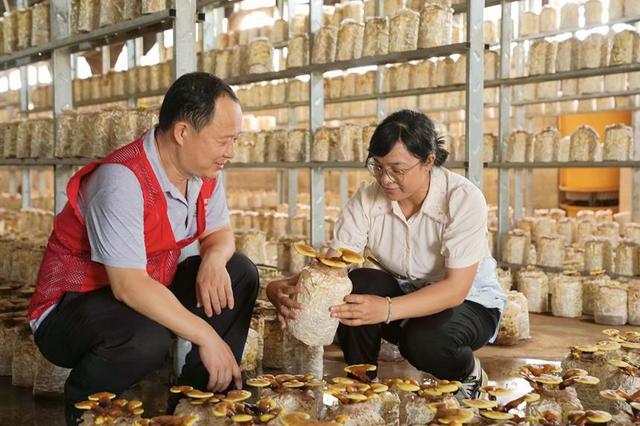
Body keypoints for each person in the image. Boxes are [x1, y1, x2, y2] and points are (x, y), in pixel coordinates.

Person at [27, 72, 259, 425]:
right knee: (145, 338)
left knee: (238, 271)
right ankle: (86, 410)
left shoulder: (205, 172)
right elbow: (128, 285)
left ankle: (196, 402)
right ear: (182, 132)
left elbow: (220, 233)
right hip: (71, 307)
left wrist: (213, 258)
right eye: (224, 141)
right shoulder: (121, 179)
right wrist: (207, 336)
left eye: (235, 140)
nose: (231, 152)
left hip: (144, 290)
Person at [267, 109, 506, 398]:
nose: (386, 179)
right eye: (377, 167)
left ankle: (466, 372)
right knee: (355, 285)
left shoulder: (462, 198)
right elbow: (333, 267)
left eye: (397, 169)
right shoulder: (368, 199)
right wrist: (282, 287)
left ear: (428, 161)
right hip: (408, 298)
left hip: (469, 303)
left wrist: (387, 309)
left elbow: (455, 290)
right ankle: (360, 386)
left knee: (423, 342)